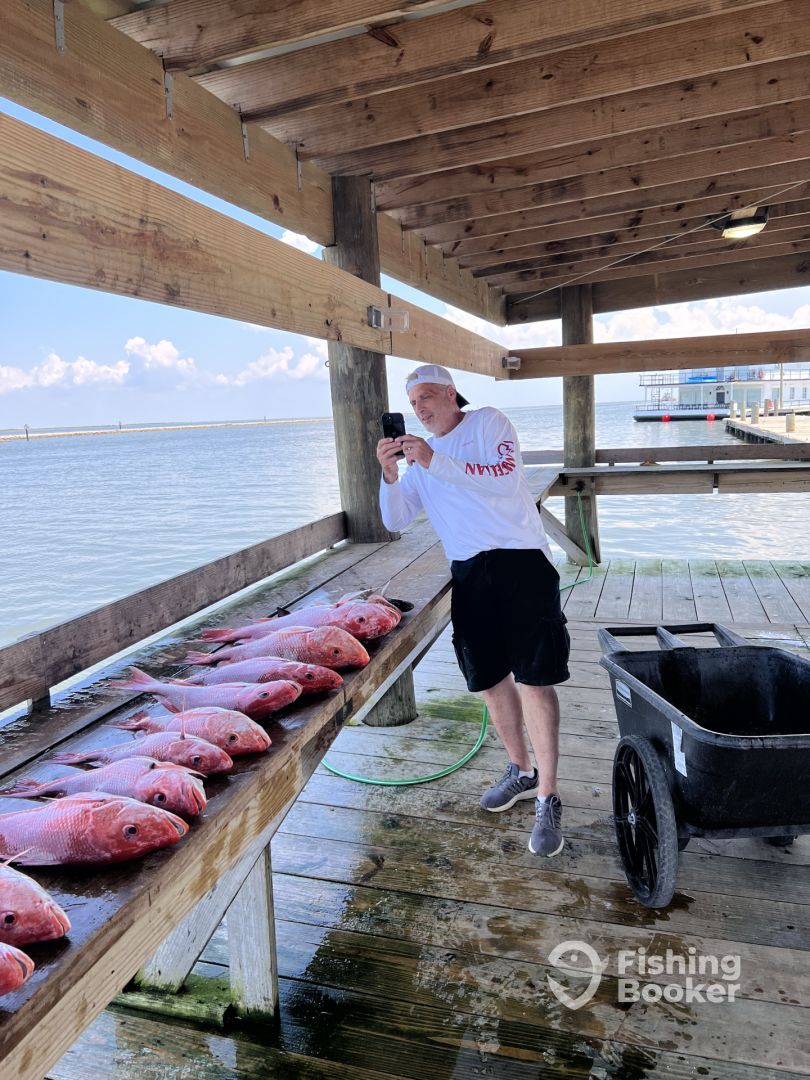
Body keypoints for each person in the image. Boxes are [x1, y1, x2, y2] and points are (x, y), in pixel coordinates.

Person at [376, 364, 570, 857]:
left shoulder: (487, 423)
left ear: (450, 393)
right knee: (488, 678)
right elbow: (396, 520)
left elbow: (503, 480)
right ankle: (520, 770)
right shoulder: (420, 456)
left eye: (426, 397)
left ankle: (548, 794)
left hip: (522, 562)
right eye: (413, 403)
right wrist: (390, 475)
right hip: (468, 572)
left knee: (535, 678)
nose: (419, 409)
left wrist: (433, 459)